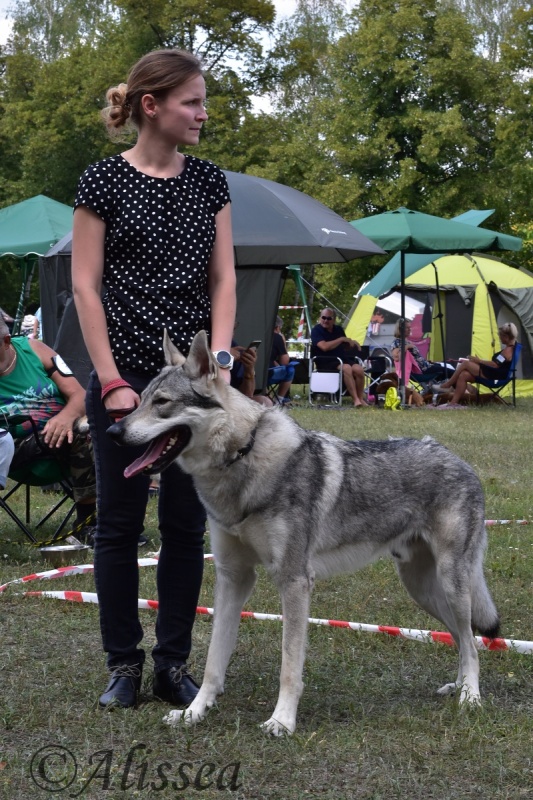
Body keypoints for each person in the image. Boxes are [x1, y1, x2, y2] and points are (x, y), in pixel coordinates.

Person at [72, 48, 236, 711]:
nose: (202, 113)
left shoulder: (210, 183)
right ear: (152, 106)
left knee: (185, 527)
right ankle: (122, 666)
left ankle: (171, 664)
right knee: (117, 526)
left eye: (202, 101)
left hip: (194, 385)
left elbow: (224, 278)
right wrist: (110, 380)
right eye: (191, 102)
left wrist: (219, 360)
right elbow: (84, 287)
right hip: (128, 378)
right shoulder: (102, 182)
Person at [0, 319, 96, 536]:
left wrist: (65, 417)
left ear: (7, 341)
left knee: (97, 428)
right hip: (13, 447)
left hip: (64, 436)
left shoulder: (33, 349)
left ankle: (107, 521)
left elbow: (79, 395)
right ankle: (88, 524)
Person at [433, 322, 518, 407]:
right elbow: (496, 364)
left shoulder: (507, 351)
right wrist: (478, 361)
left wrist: (479, 361)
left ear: (506, 337)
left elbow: (494, 365)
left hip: (493, 376)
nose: (499, 338)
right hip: (494, 373)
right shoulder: (511, 348)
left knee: (466, 363)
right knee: (464, 375)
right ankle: (453, 403)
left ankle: (448, 384)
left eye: (500, 336)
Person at [310, 308, 368, 407]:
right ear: (320, 318)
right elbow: (324, 347)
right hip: (325, 361)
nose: (325, 320)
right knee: (346, 368)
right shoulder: (316, 330)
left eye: (329, 318)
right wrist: (341, 339)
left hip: (341, 358)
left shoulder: (338, 329)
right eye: (323, 317)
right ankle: (355, 400)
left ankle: (361, 398)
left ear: (334, 320)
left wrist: (351, 343)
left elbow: (345, 346)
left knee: (359, 369)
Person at [230, 342, 273, 407]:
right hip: (212, 401)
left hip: (232, 401)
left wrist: (249, 369)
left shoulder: (233, 346)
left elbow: (247, 394)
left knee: (265, 402)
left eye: (233, 331)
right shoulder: (210, 344)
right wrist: (221, 356)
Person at [268, 316, 295, 405]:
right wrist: (283, 342)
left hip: (250, 372)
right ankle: (278, 400)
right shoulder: (277, 337)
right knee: (290, 370)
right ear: (278, 328)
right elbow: (285, 362)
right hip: (268, 374)